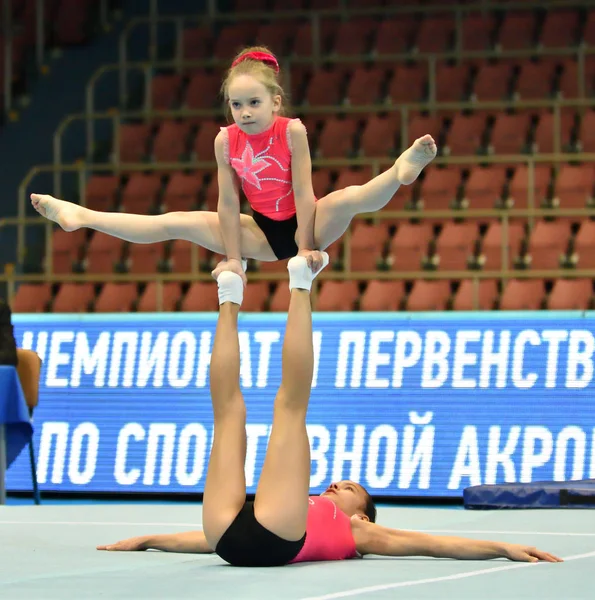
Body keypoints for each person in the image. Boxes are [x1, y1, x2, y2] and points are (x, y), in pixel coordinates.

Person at [97, 256, 562, 567]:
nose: (337, 483)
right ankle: (231, 293)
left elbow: (433, 543)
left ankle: (296, 285)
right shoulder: (309, 507)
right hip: (227, 534)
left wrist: (502, 546)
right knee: (234, 412)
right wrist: (148, 539)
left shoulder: (357, 534)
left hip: (268, 537)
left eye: (352, 488)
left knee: (279, 407)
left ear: (363, 516)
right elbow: (201, 541)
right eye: (342, 481)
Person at [30, 46, 437, 284]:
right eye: (236, 104)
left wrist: (307, 248)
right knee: (174, 220)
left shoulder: (292, 131)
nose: (244, 112)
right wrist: (231, 257)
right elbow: (228, 204)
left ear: (275, 102)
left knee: (348, 198)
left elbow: (303, 191)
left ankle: (401, 170)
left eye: (254, 103)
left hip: (308, 221)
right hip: (258, 230)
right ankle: (80, 216)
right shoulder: (225, 140)